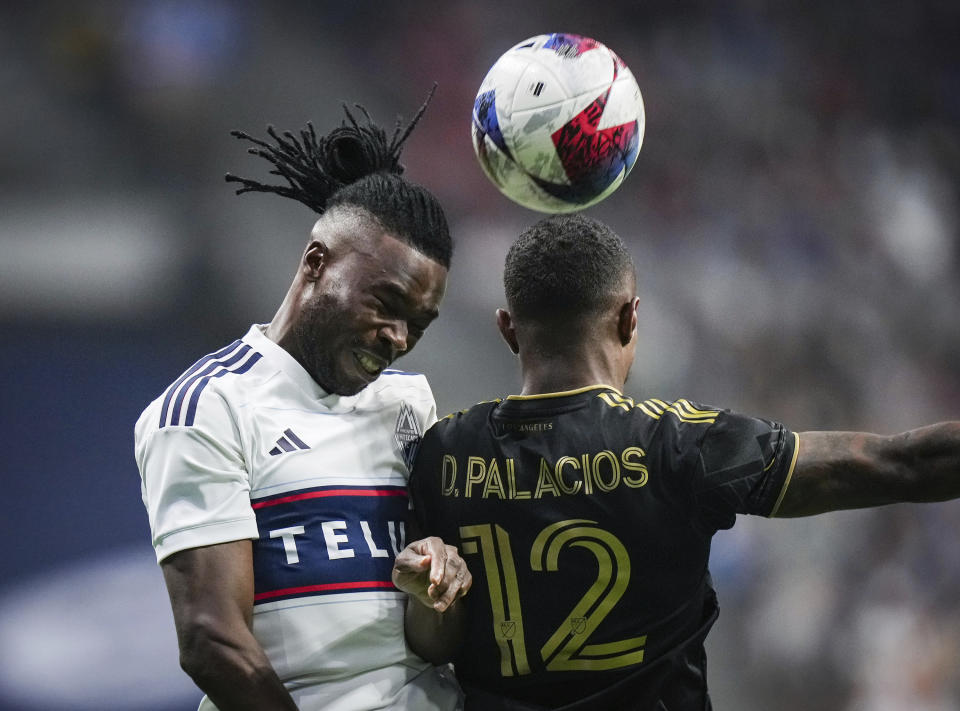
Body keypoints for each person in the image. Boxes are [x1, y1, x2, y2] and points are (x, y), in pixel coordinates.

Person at [407, 213, 960, 711]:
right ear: (630, 318)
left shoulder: (444, 454)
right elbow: (902, 465)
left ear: (506, 327)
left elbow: (432, 639)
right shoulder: (678, 444)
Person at [134, 95, 471, 711]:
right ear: (317, 262)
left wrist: (434, 593)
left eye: (418, 324)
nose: (398, 338)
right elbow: (213, 641)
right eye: (386, 304)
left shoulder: (409, 407)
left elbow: (430, 643)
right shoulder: (207, 408)